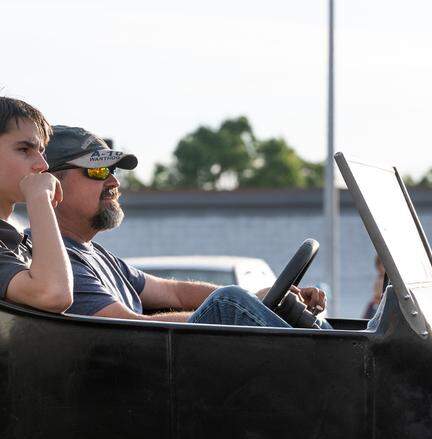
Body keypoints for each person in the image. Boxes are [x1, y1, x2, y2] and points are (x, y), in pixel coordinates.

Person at [43, 125, 326, 327]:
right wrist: (229, 310)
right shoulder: (54, 262)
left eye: (113, 171)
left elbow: (175, 292)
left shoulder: (97, 255)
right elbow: (126, 327)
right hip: (132, 389)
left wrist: (260, 297)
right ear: (52, 184)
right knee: (228, 302)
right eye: (98, 170)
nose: (114, 182)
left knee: (243, 302)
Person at [0, 98, 73, 312]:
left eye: (41, 151)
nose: (43, 165)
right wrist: (39, 198)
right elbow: (53, 294)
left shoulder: (14, 238)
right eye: (24, 149)